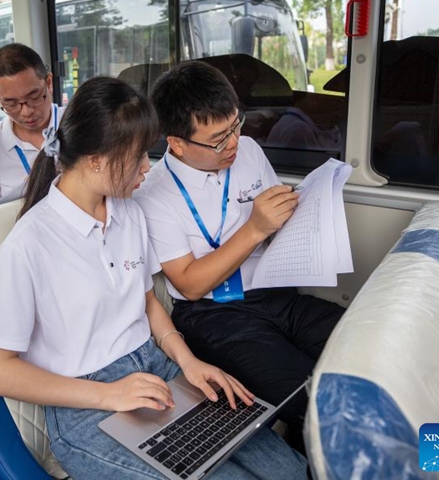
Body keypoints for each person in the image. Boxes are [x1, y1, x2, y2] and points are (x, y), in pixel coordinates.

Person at [0, 76, 308, 480]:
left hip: (155, 370)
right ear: (96, 160)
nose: (148, 168)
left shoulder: (127, 212)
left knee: (289, 468)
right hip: (86, 404)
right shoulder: (29, 244)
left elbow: (146, 302)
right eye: (138, 158)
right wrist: (109, 394)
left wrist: (189, 362)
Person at [133, 61, 345, 453]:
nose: (232, 143)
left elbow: (273, 222)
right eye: (217, 139)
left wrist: (299, 215)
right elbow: (190, 284)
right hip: (215, 315)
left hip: (276, 291)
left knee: (360, 342)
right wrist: (255, 228)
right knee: (317, 398)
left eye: (235, 125)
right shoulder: (153, 194)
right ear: (177, 143)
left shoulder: (247, 150)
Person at [0, 43, 65, 213]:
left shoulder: (78, 122)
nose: (26, 112)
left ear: (49, 83)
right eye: (10, 103)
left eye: (34, 97)